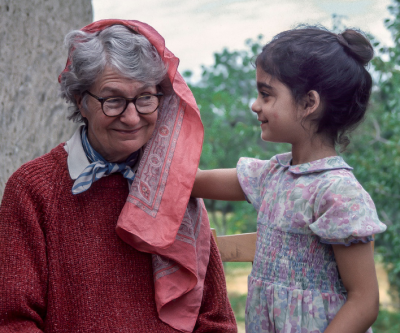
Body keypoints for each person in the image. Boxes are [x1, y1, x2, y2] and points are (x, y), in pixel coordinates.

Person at [0, 19, 237, 333]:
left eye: (144, 98)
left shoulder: (174, 182)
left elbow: (214, 319)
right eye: (112, 100)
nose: (130, 117)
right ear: (81, 102)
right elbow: (14, 321)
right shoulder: (32, 188)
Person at [192, 26, 387, 333]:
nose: (255, 105)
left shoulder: (338, 193)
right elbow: (193, 182)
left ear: (309, 104)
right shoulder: (271, 175)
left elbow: (364, 300)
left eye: (266, 94)